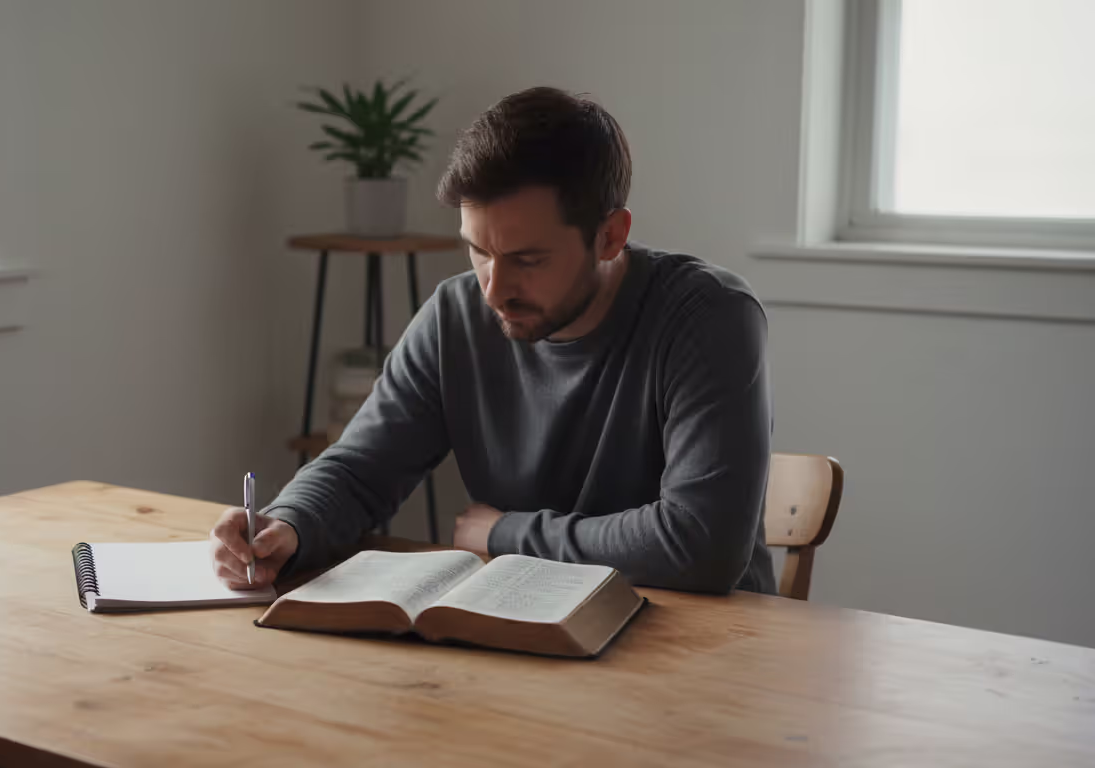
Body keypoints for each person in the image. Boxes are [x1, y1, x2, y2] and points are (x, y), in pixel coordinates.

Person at [211, 86, 775, 594]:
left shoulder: (708, 318)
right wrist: (287, 524)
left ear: (609, 236)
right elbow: (362, 469)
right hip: (528, 628)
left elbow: (701, 546)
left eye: (527, 259)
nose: (494, 289)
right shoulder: (455, 316)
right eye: (478, 251)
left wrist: (505, 532)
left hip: (702, 651)